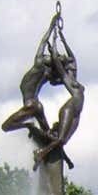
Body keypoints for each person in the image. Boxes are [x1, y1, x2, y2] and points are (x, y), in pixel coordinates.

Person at [33, 20, 84, 170]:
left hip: (77, 112)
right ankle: (41, 153)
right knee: (61, 138)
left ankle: (55, 153)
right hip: (69, 109)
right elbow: (55, 58)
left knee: (63, 140)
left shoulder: (73, 75)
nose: (69, 62)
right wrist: (54, 41)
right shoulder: (66, 78)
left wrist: (62, 38)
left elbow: (73, 58)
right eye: (66, 61)